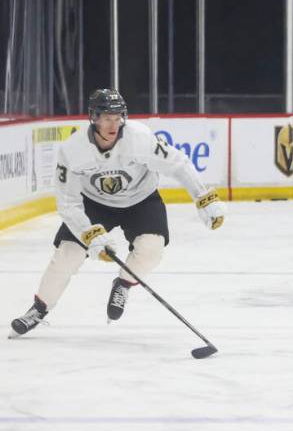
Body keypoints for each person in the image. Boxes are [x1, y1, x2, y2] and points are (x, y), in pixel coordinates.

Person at [9, 89, 227, 337]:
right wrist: (89, 233)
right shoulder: (73, 150)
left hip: (141, 199)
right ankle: (38, 309)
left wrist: (204, 197)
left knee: (151, 248)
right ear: (94, 118)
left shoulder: (140, 139)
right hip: (95, 203)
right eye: (107, 118)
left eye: (118, 117)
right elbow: (68, 202)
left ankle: (123, 284)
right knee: (68, 255)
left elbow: (178, 164)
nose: (114, 124)